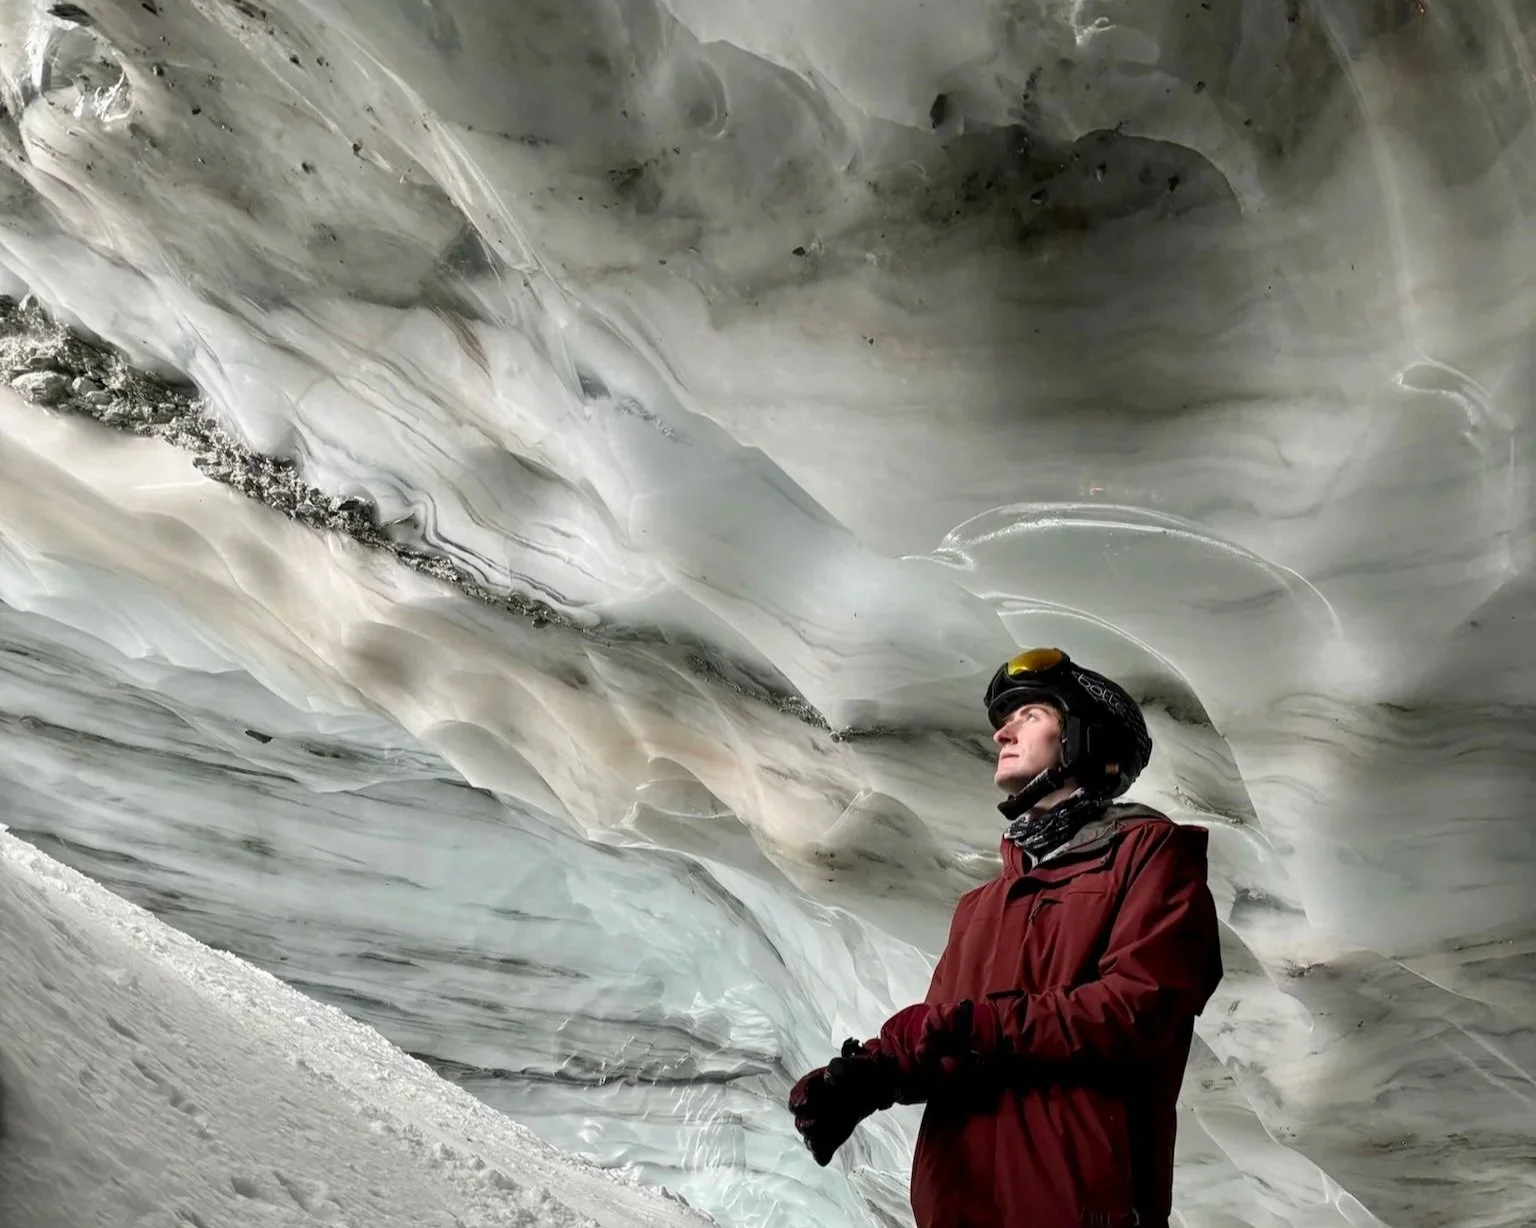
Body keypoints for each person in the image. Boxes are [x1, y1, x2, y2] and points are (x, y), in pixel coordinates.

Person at [788, 647, 1224, 1228]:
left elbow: (1138, 1008)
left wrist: (976, 1027)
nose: (1002, 734)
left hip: (1077, 1205)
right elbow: (946, 1038)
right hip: (957, 1205)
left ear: (1087, 741)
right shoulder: (982, 906)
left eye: (1032, 716)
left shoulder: (1152, 856)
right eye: (1006, 720)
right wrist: (874, 1075)